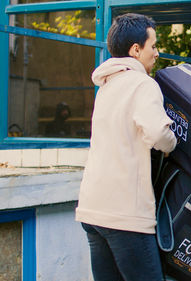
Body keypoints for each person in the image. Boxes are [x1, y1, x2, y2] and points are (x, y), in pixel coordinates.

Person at [75, 13, 177, 281]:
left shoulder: (108, 85)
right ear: (136, 50)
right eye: (153, 46)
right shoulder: (143, 83)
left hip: (93, 208)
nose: (156, 53)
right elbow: (158, 134)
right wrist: (172, 142)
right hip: (125, 214)